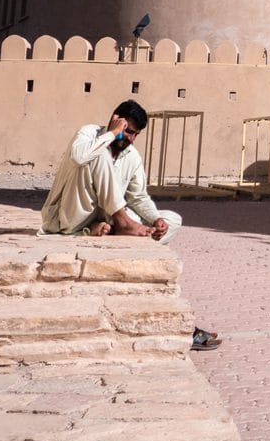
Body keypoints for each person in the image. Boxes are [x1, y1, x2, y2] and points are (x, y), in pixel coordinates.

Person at [41, 100, 220, 351]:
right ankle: (120, 224)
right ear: (117, 119)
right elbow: (79, 156)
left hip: (99, 220)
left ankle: (108, 231)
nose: (131, 138)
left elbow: (138, 196)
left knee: (172, 220)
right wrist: (111, 134)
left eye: (136, 134)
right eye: (129, 130)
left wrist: (156, 220)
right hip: (67, 216)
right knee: (99, 153)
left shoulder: (131, 156)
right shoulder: (89, 134)